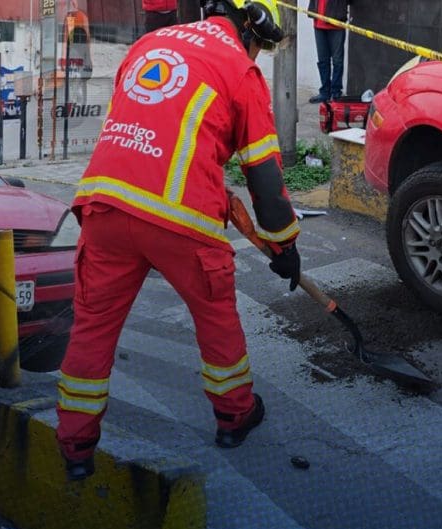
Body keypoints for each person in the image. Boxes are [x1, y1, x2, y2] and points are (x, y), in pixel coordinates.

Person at [56, 0, 301, 481]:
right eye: (260, 44)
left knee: (92, 327)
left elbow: (144, 126)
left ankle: (76, 447)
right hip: (180, 217)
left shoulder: (148, 44)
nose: (257, 54)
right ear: (250, 25)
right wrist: (285, 246)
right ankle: (235, 417)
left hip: (105, 204)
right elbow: (266, 180)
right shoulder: (240, 69)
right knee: (216, 316)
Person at [308, 0, 353, 103]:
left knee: (337, 61)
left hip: (336, 24)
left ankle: (336, 92)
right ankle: (325, 92)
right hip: (318, 24)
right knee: (323, 61)